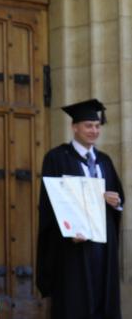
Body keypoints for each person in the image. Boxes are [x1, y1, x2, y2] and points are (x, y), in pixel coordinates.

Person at [36, 99, 124, 319]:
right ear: (74, 127)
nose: (94, 131)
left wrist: (115, 202)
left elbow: (116, 197)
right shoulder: (57, 158)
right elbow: (51, 203)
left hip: (103, 245)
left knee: (103, 297)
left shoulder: (104, 161)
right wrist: (67, 232)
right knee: (76, 302)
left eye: (97, 126)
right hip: (73, 245)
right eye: (88, 125)